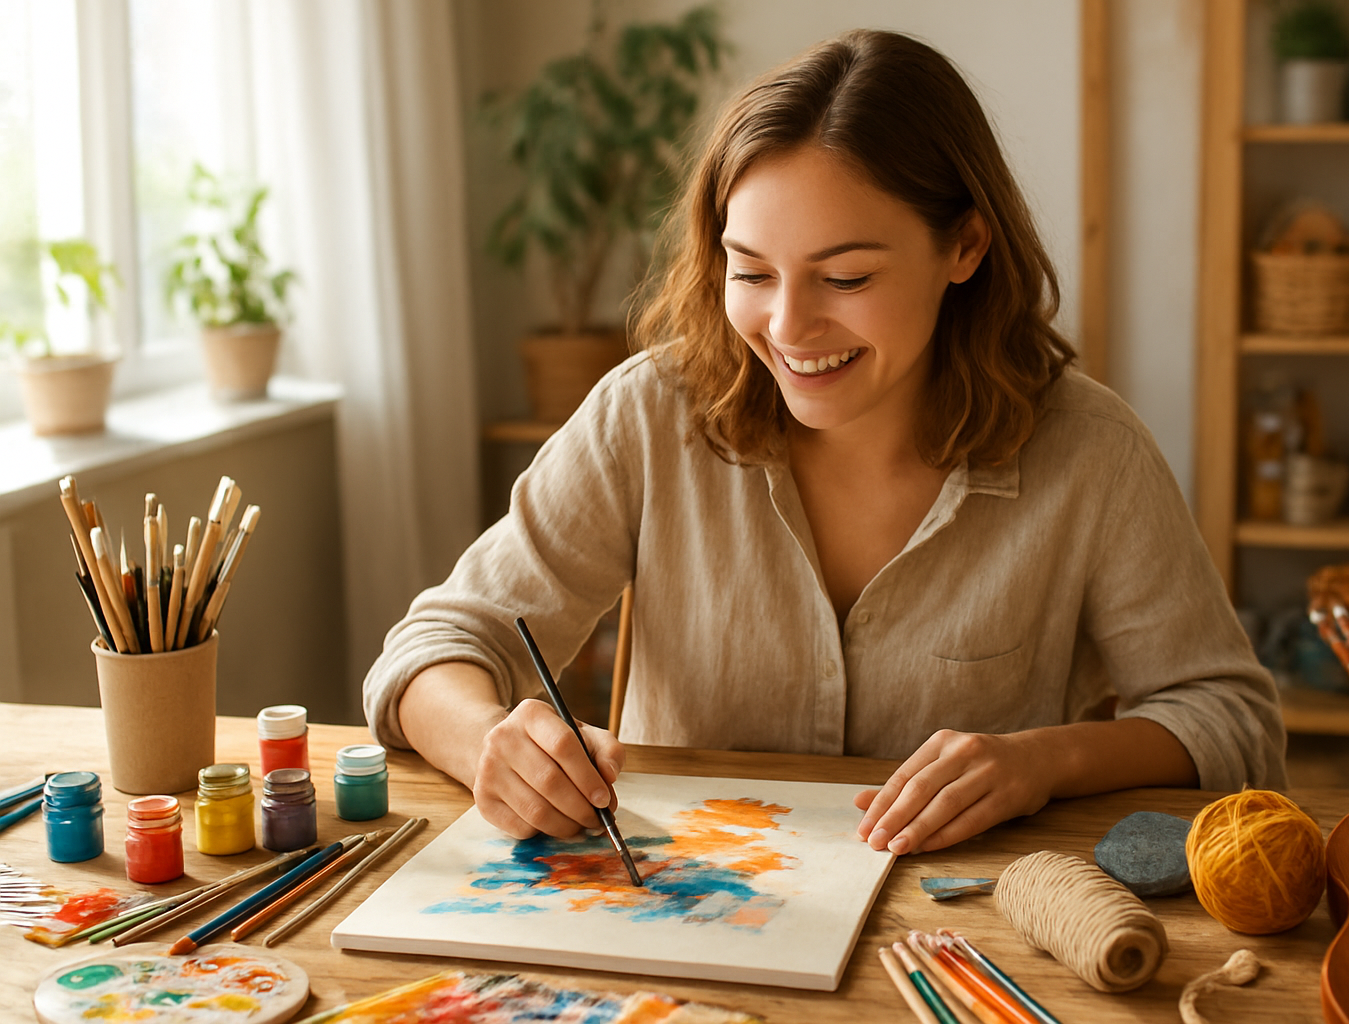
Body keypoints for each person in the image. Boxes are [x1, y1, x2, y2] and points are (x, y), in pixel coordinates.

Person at [364, 29, 1285, 859]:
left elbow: (1230, 719)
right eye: (752, 271)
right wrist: (493, 742)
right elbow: (437, 644)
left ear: (965, 246)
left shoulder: (1091, 452)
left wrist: (1042, 761)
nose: (789, 326)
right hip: (695, 925)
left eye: (845, 276)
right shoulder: (647, 416)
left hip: (966, 934)